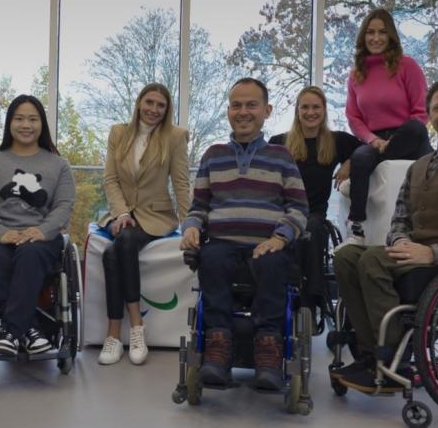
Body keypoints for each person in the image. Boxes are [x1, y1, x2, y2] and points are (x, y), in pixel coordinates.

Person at [333, 76, 438, 393]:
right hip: (413, 256)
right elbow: (400, 219)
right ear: (430, 116)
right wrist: (400, 241)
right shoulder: (419, 166)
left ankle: (394, 361)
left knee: (374, 261)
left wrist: (433, 253)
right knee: (347, 256)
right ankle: (370, 355)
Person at [180, 78, 308, 390]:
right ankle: (218, 350)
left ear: (267, 110)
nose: (243, 111)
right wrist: (193, 226)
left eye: (251, 105)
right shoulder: (213, 155)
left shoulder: (282, 157)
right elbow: (199, 206)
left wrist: (279, 238)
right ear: (228, 111)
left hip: (268, 246)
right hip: (222, 244)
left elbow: (299, 209)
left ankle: (268, 351)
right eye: (236, 105)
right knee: (211, 257)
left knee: (272, 262)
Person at [0, 95, 75, 356]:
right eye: (19, 118)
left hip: (41, 238)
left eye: (32, 119)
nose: (26, 125)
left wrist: (42, 231)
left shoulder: (58, 165)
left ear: (42, 124)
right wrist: (0, 232)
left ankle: (11, 331)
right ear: (9, 123)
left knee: (29, 251)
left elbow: (64, 206)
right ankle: (31, 331)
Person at [97, 83, 190, 366]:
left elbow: (181, 184)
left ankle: (131, 327)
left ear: (166, 109)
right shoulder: (118, 133)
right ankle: (116, 334)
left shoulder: (175, 137)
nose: (154, 109)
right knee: (112, 252)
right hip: (122, 214)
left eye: (160, 105)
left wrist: (190, 224)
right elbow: (111, 179)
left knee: (123, 242)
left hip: (155, 216)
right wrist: (121, 213)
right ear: (139, 103)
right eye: (149, 102)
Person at [343, 8, 432, 247]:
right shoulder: (356, 75)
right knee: (360, 158)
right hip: (377, 141)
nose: (376, 38)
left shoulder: (407, 65)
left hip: (409, 137)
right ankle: (356, 226)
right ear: (363, 37)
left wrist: (393, 143)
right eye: (370, 32)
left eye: (382, 32)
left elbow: (421, 111)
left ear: (391, 36)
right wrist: (373, 141)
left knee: (414, 128)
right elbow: (353, 117)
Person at [269, 86, 361, 316]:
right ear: (297, 111)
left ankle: (309, 302)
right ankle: (281, 297)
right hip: (281, 211)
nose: (311, 112)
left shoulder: (337, 140)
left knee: (310, 230)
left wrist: (349, 163)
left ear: (324, 110)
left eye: (316, 107)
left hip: (314, 212)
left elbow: (368, 151)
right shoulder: (279, 142)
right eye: (305, 107)